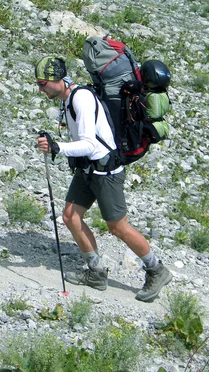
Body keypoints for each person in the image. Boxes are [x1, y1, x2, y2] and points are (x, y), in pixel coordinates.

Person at [34, 56, 172, 303]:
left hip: (106, 171)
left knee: (118, 227)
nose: (40, 88)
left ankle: (157, 270)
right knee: (70, 217)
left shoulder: (82, 98)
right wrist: (56, 145)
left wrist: (57, 148)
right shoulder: (67, 100)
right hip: (88, 169)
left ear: (58, 80)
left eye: (43, 83)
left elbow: (88, 143)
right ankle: (96, 272)